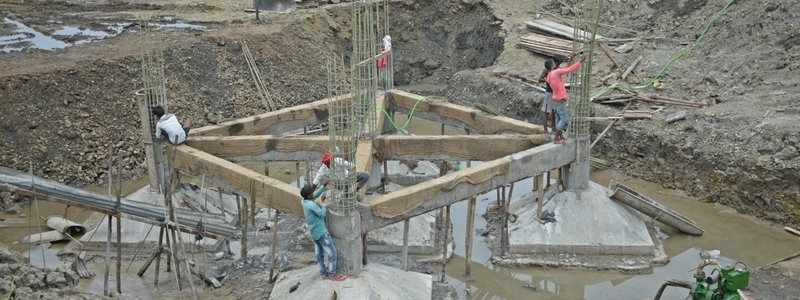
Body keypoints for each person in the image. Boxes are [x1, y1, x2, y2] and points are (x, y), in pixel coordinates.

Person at [300, 184, 347, 281]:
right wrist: (323, 203)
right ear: (309, 195)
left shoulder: (304, 201)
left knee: (319, 254)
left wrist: (323, 187)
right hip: (321, 232)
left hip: (314, 233)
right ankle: (332, 274)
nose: (313, 193)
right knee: (332, 253)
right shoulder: (311, 205)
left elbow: (314, 196)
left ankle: (323, 273)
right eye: (312, 192)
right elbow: (322, 214)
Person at [545, 55, 585, 144]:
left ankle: (560, 135)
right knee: (564, 118)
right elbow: (569, 69)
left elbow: (563, 70)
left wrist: (570, 60)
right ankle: (556, 138)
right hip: (560, 99)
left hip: (555, 99)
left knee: (559, 117)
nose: (555, 64)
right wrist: (580, 62)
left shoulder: (550, 75)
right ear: (552, 66)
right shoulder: (555, 72)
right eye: (553, 63)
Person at [537, 54, 569, 133]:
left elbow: (566, 69)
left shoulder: (557, 69)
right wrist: (548, 79)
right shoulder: (547, 70)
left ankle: (554, 127)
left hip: (556, 94)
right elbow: (539, 79)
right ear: (554, 62)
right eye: (558, 63)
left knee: (554, 111)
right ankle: (545, 130)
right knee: (546, 111)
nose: (558, 65)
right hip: (549, 92)